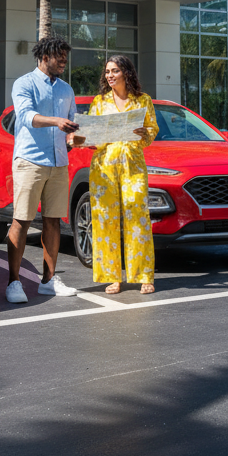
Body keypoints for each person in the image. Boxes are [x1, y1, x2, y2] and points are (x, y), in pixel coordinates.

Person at [6, 35, 81, 302]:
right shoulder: (24, 84)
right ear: (44, 56)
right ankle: (13, 282)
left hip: (59, 162)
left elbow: (72, 124)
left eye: (65, 57)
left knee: (53, 222)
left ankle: (48, 281)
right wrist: (57, 122)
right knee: (22, 221)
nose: (63, 61)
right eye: (59, 57)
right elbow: (26, 116)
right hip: (30, 161)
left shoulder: (66, 89)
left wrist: (74, 138)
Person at [87, 54, 159, 294]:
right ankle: (112, 277)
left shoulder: (143, 100)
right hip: (104, 167)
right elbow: (92, 135)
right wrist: (84, 140)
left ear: (126, 73)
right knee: (105, 220)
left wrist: (143, 134)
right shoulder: (99, 102)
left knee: (137, 218)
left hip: (133, 166)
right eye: (107, 71)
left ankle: (144, 275)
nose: (110, 75)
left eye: (114, 70)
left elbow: (151, 132)